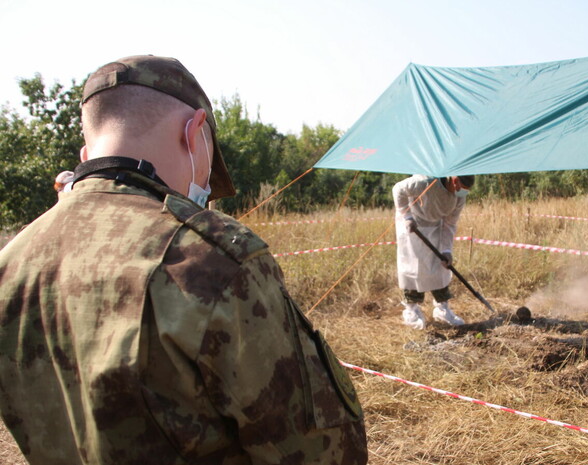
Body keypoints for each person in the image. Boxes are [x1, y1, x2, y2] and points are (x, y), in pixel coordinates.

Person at [0, 55, 367, 464]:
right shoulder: (211, 258)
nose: (207, 185)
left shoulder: (11, 263)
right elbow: (324, 452)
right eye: (211, 166)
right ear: (194, 133)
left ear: (88, 149)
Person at [393, 174, 474, 329]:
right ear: (455, 181)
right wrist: (408, 217)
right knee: (413, 269)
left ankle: (442, 309)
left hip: (437, 227)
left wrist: (447, 250)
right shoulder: (424, 181)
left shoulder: (459, 197)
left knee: (440, 268)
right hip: (412, 227)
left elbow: (450, 223)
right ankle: (411, 310)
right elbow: (398, 190)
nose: (464, 193)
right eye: (463, 189)